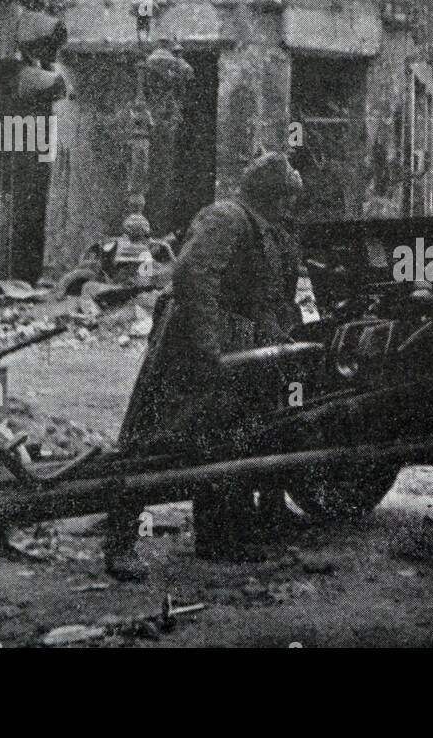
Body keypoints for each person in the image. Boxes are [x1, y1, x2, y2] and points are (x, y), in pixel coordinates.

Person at [103, 152, 304, 581]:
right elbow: (193, 275)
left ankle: (220, 538)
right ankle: (120, 543)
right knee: (157, 439)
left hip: (230, 346)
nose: (290, 208)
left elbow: (259, 297)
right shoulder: (229, 218)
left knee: (222, 443)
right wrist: (207, 348)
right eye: (286, 198)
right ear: (272, 196)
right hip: (190, 346)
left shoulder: (262, 228)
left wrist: (278, 338)